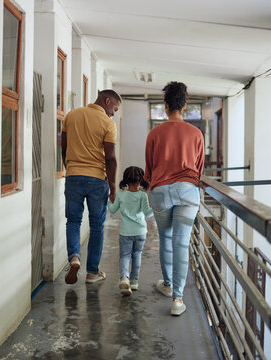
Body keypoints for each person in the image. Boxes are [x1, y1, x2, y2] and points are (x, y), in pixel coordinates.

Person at [144, 81, 204, 316]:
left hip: (160, 192)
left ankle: (167, 285)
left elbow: (148, 169)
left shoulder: (155, 133)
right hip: (188, 192)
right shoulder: (196, 133)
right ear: (185, 106)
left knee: (165, 238)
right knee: (181, 244)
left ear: (165, 105)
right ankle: (178, 300)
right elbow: (199, 170)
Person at [61, 89, 121, 284]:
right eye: (114, 108)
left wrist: (70, 168)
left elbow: (64, 147)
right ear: (107, 100)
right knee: (96, 226)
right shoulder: (107, 123)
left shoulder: (71, 116)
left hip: (73, 176)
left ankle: (74, 258)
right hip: (97, 179)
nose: (113, 113)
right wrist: (112, 185)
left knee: (73, 221)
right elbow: (110, 158)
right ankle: (92, 272)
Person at [108, 166, 154, 296]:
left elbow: (112, 210)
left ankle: (124, 278)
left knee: (125, 255)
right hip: (140, 232)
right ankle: (134, 282)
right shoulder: (143, 196)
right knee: (137, 254)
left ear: (125, 180)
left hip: (125, 232)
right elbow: (148, 213)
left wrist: (107, 200)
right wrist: (156, 207)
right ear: (141, 181)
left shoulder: (121, 195)